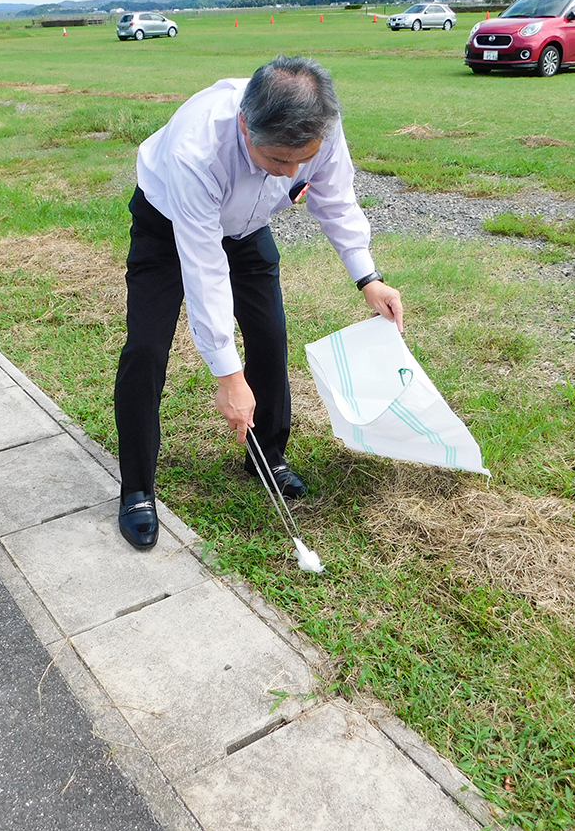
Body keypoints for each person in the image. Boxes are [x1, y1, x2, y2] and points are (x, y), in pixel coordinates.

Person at [114, 55, 404, 550]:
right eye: (277, 162)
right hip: (169, 221)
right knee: (146, 347)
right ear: (246, 126)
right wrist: (228, 377)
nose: (291, 175)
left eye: (300, 162)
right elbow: (204, 269)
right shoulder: (197, 148)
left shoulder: (322, 127)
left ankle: (267, 455)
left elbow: (334, 198)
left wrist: (367, 277)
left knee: (270, 335)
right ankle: (137, 488)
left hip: (247, 226)